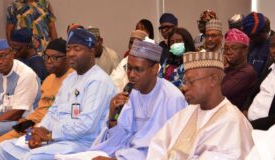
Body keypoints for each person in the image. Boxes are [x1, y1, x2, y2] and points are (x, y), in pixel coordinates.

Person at [0, 28, 117, 160]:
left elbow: (85, 126)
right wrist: (37, 133)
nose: (70, 53)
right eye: (69, 49)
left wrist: (49, 134)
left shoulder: (99, 81)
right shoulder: (70, 78)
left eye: (77, 49)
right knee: (3, 148)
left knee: (32, 157)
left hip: (81, 142)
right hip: (54, 137)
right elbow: (53, 111)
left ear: (91, 51)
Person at [54, 40, 187, 160]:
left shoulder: (172, 98)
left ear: (155, 69)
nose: (131, 75)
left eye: (138, 69)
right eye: (129, 68)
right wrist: (113, 118)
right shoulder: (131, 92)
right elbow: (120, 137)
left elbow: (167, 149)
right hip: (124, 153)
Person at [147, 51, 253, 159]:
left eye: (191, 81)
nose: (184, 87)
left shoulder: (232, 122)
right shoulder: (187, 112)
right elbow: (158, 145)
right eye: (185, 81)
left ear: (213, 80)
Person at [0, 38, 73, 158]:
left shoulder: (73, 80)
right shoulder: (49, 80)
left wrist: (42, 129)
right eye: (46, 56)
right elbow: (41, 110)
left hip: (50, 130)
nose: (48, 61)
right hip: (33, 125)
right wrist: (28, 120)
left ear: (68, 58)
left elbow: (65, 116)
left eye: (54, 58)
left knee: (28, 153)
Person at [243, 28, 275, 130]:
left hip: (268, 133)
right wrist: (245, 110)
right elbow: (253, 93)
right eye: (272, 46)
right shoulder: (270, 68)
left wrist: (251, 126)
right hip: (247, 124)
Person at [221, 29, 257, 109]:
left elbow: (220, 93)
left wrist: (219, 67)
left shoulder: (247, 72)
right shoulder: (228, 68)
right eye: (226, 48)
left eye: (233, 48)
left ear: (245, 51)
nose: (228, 52)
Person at [243, 12, 271, 77]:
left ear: (264, 31)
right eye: (248, 36)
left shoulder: (273, 47)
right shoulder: (250, 44)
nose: (250, 39)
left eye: (252, 36)